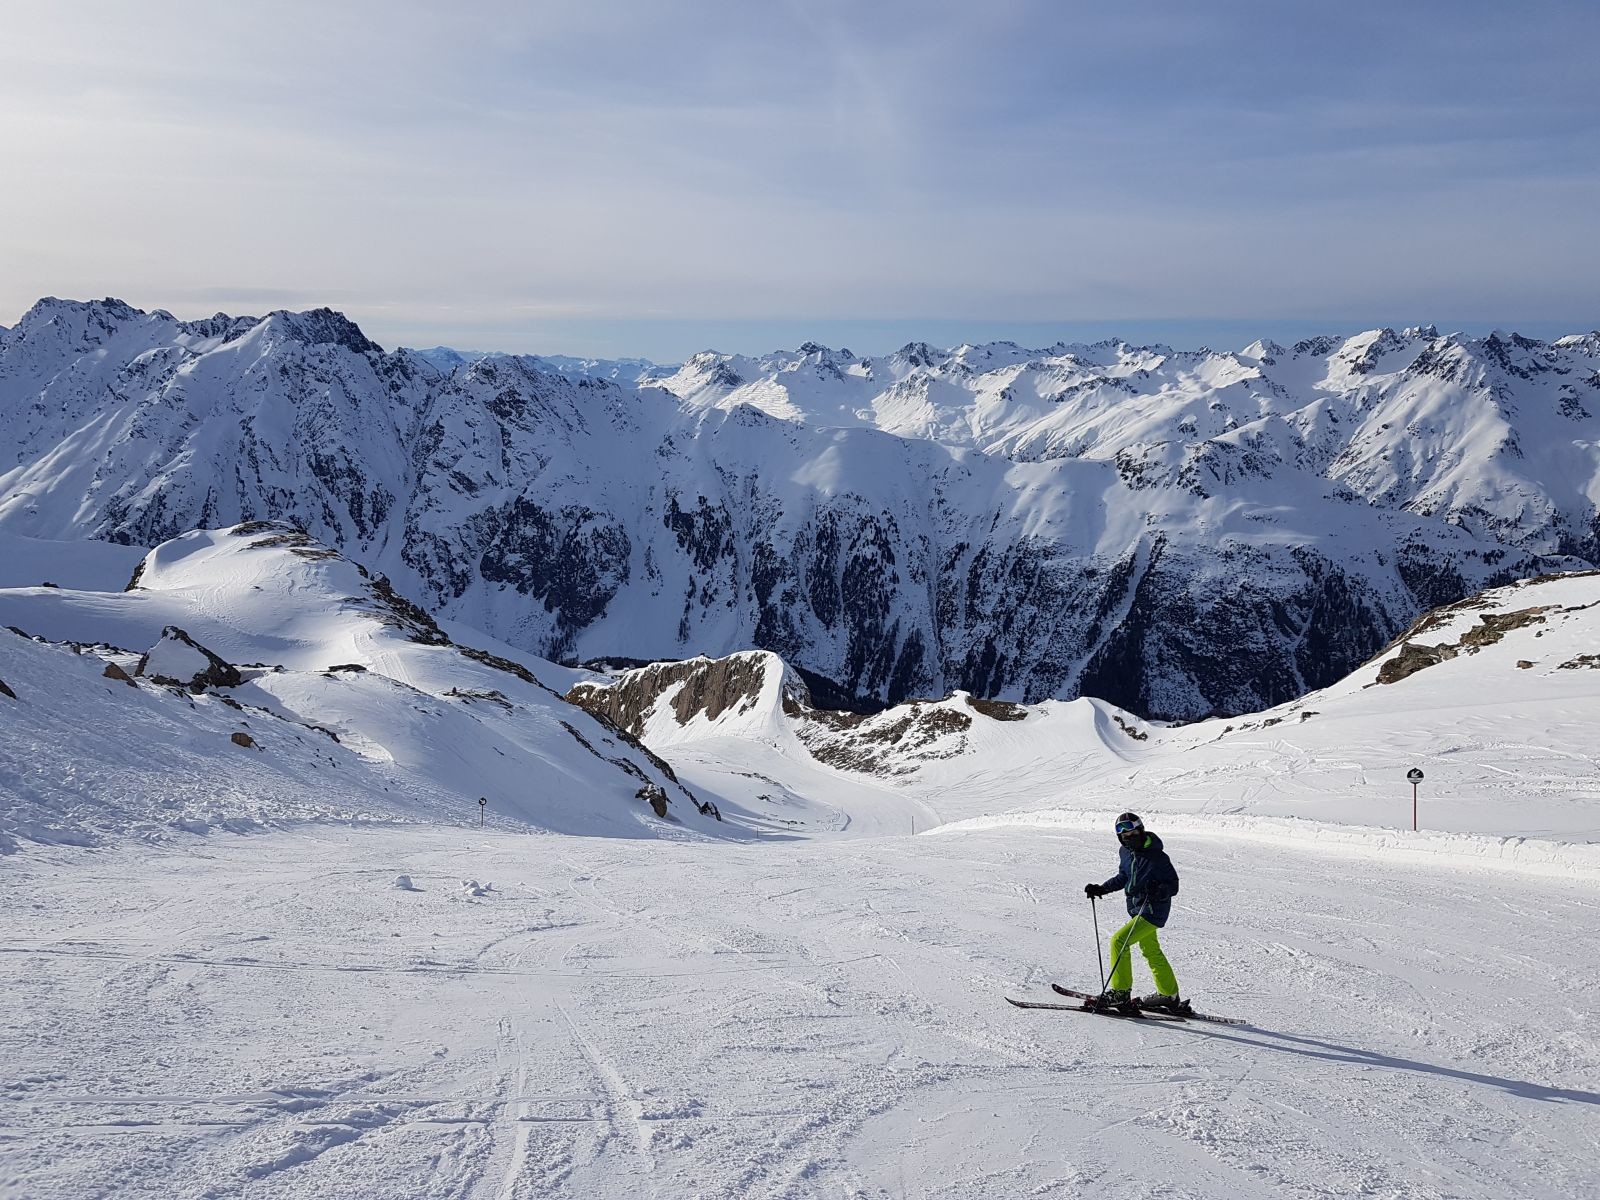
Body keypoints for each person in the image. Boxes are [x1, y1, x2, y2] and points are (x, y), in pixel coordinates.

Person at [1083, 812, 1184, 1011]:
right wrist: (1102, 888)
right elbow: (1123, 877)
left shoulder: (1157, 856)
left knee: (1119, 941)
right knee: (1151, 950)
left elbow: (1173, 885)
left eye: (1133, 832)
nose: (1129, 837)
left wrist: (1159, 890)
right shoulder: (1126, 852)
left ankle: (1120, 992)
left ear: (1141, 830)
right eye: (1124, 835)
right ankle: (1168, 994)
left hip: (1153, 910)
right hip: (1137, 908)